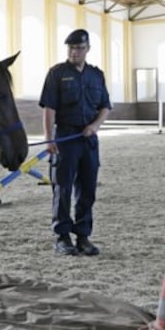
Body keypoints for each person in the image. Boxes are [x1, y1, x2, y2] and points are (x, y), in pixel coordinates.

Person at [39, 29, 111, 256]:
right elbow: (49, 108)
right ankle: (62, 237)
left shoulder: (96, 75)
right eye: (71, 48)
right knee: (63, 188)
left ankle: (83, 236)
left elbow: (105, 107)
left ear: (87, 49)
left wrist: (95, 126)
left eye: (79, 48)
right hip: (65, 139)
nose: (74, 52)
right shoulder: (56, 74)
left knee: (87, 189)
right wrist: (49, 138)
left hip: (88, 140)